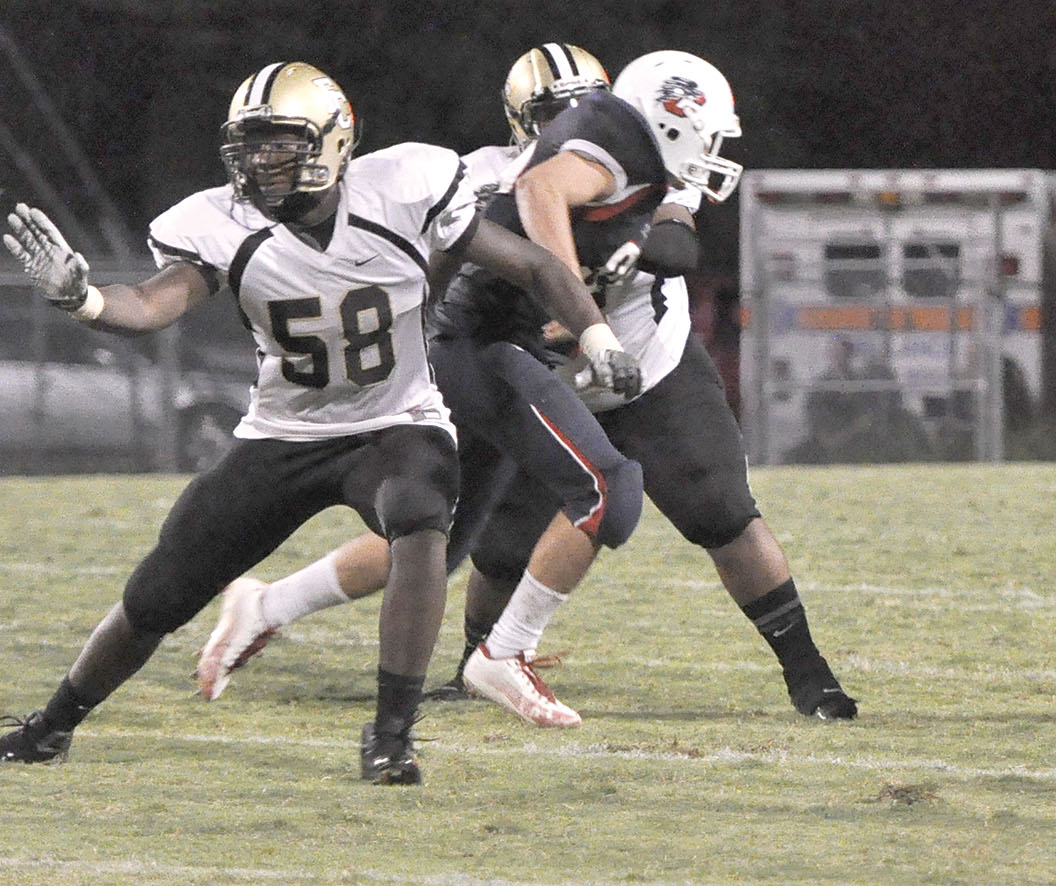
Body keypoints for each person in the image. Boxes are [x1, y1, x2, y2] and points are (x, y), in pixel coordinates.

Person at [194, 48, 857, 725]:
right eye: (555, 112)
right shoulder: (484, 179)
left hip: (645, 366)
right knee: (464, 540)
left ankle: (809, 675)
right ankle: (460, 654)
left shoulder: (644, 161)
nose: (574, 122)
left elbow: (677, 241)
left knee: (720, 511)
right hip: (529, 371)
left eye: (584, 104)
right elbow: (422, 259)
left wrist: (622, 265)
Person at [0, 61, 619, 783]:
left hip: (396, 422)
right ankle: (51, 726)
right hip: (282, 435)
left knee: (421, 520)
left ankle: (391, 738)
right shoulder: (223, 222)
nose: (258, 162)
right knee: (160, 592)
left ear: (332, 141)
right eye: (249, 146)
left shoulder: (402, 189)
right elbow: (150, 303)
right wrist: (85, 300)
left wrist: (598, 335)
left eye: (278, 143)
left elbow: (535, 267)